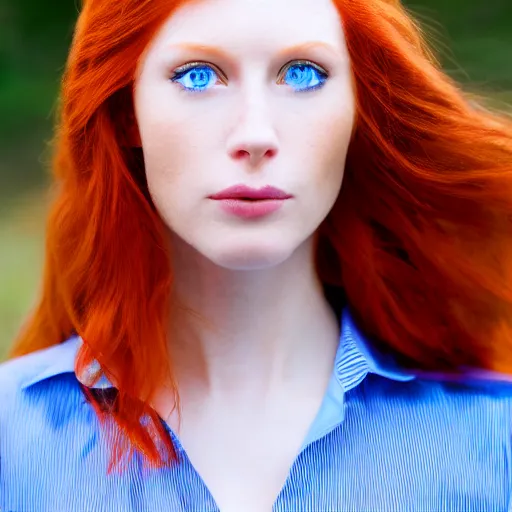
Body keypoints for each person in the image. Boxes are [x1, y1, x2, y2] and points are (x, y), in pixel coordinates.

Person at [1, 0, 512, 510]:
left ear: (359, 110)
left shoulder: (494, 439)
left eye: (304, 73)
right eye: (198, 76)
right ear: (126, 112)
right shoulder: (13, 439)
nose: (255, 136)